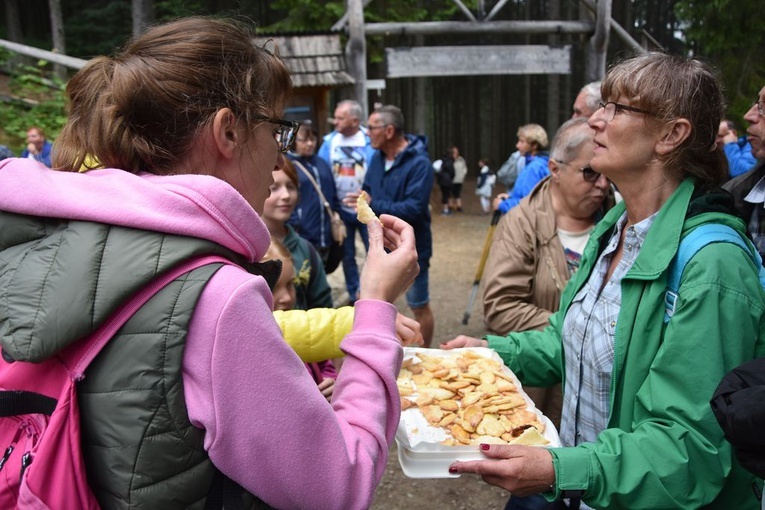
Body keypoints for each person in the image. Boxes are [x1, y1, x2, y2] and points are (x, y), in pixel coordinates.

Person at [0, 17, 420, 510]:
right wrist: (373, 307)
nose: (275, 158)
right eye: (276, 132)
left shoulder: (43, 236)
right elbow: (338, 486)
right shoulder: (215, 296)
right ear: (228, 131)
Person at [444, 52, 765, 509]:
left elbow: (688, 449)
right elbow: (572, 341)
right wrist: (488, 354)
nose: (595, 120)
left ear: (671, 135)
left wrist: (561, 469)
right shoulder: (615, 226)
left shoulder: (713, 264)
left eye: (618, 108)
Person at [482, 117, 615, 431]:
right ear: (555, 169)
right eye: (590, 172)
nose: (603, 184)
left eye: (607, 172)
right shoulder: (521, 224)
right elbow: (501, 308)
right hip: (543, 394)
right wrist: (582, 329)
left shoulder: (622, 218)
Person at [346, 104, 436, 348]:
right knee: (379, 304)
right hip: (380, 249)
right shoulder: (376, 158)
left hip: (411, 249)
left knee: (418, 304)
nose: (367, 133)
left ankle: (427, 353)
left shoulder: (420, 164)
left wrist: (376, 203)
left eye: (371, 128)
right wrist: (362, 198)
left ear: (388, 131)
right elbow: (371, 189)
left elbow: (415, 208)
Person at [262, 239, 337, 402]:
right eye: (273, 288)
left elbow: (324, 362)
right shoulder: (258, 353)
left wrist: (330, 380)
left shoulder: (302, 324)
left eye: (290, 284)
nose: (287, 297)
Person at [318, 99, 375, 304]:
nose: (336, 121)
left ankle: (371, 291)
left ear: (355, 120)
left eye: (341, 118)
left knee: (374, 251)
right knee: (348, 254)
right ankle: (354, 294)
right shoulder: (329, 142)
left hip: (368, 209)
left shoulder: (370, 141)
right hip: (341, 210)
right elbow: (322, 173)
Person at [261, 158, 333, 311]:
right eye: (274, 188)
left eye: (291, 187)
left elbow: (322, 306)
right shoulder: (246, 251)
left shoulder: (306, 250)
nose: (286, 195)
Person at [287, 121, 343, 273]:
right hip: (303, 234)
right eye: (304, 140)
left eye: (313, 139)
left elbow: (332, 194)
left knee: (324, 274)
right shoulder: (287, 165)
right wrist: (295, 224)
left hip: (326, 233)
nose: (310, 143)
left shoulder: (321, 163)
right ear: (293, 141)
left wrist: (337, 214)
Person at [724, 86, 765, 259]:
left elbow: (738, 168)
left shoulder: (737, 148)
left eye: (763, 107)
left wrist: (730, 145)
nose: (748, 116)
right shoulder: (739, 195)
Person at [493, 124, 550, 214]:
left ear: (534, 145)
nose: (517, 145)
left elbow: (530, 204)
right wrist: (511, 197)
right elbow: (527, 195)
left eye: (522, 142)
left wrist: (503, 205)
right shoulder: (538, 164)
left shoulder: (534, 168)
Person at [436, 148, 455, 215]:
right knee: (447, 195)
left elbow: (438, 171)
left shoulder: (442, 160)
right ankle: (446, 209)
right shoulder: (450, 161)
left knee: (445, 194)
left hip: (442, 180)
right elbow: (452, 172)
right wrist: (451, 178)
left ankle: (446, 208)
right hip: (447, 180)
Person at [449, 145, 468, 212]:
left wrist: (463, 175)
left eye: (456, 151)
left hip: (459, 180)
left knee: (458, 193)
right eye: (454, 152)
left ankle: (459, 206)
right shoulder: (449, 160)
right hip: (451, 180)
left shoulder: (461, 159)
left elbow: (464, 168)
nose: (455, 153)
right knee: (450, 194)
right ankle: (450, 206)